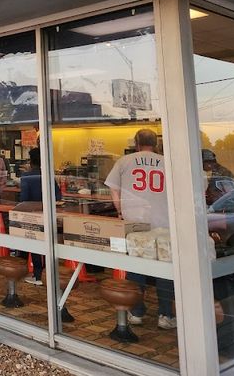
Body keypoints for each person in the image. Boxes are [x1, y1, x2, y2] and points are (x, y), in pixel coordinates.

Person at [105, 128, 176, 329]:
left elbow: (113, 188)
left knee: (135, 268)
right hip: (164, 222)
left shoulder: (124, 161)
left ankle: (136, 313)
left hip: (135, 223)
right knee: (164, 269)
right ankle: (166, 315)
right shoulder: (166, 161)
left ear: (136, 143)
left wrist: (120, 211)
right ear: (156, 143)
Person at [19, 148, 61, 285]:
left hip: (32, 214)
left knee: (34, 243)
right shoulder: (48, 175)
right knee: (47, 244)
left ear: (30, 162)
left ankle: (38, 276)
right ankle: (47, 274)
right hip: (48, 213)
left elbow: (24, 198)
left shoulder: (26, 176)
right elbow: (58, 196)